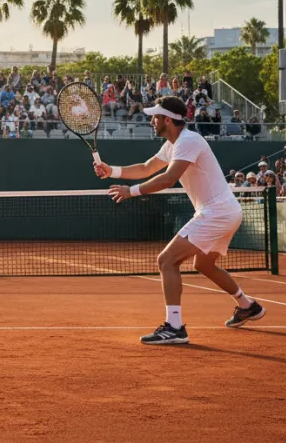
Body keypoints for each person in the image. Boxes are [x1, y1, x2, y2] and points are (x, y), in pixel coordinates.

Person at [95, 96, 264, 345]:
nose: (152, 121)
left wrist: (131, 191)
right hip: (224, 211)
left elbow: (168, 179)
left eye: (155, 117)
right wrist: (113, 171)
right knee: (204, 265)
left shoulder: (188, 141)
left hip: (217, 213)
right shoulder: (173, 144)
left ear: (167, 120)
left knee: (166, 260)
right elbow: (146, 167)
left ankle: (174, 327)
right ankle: (247, 305)